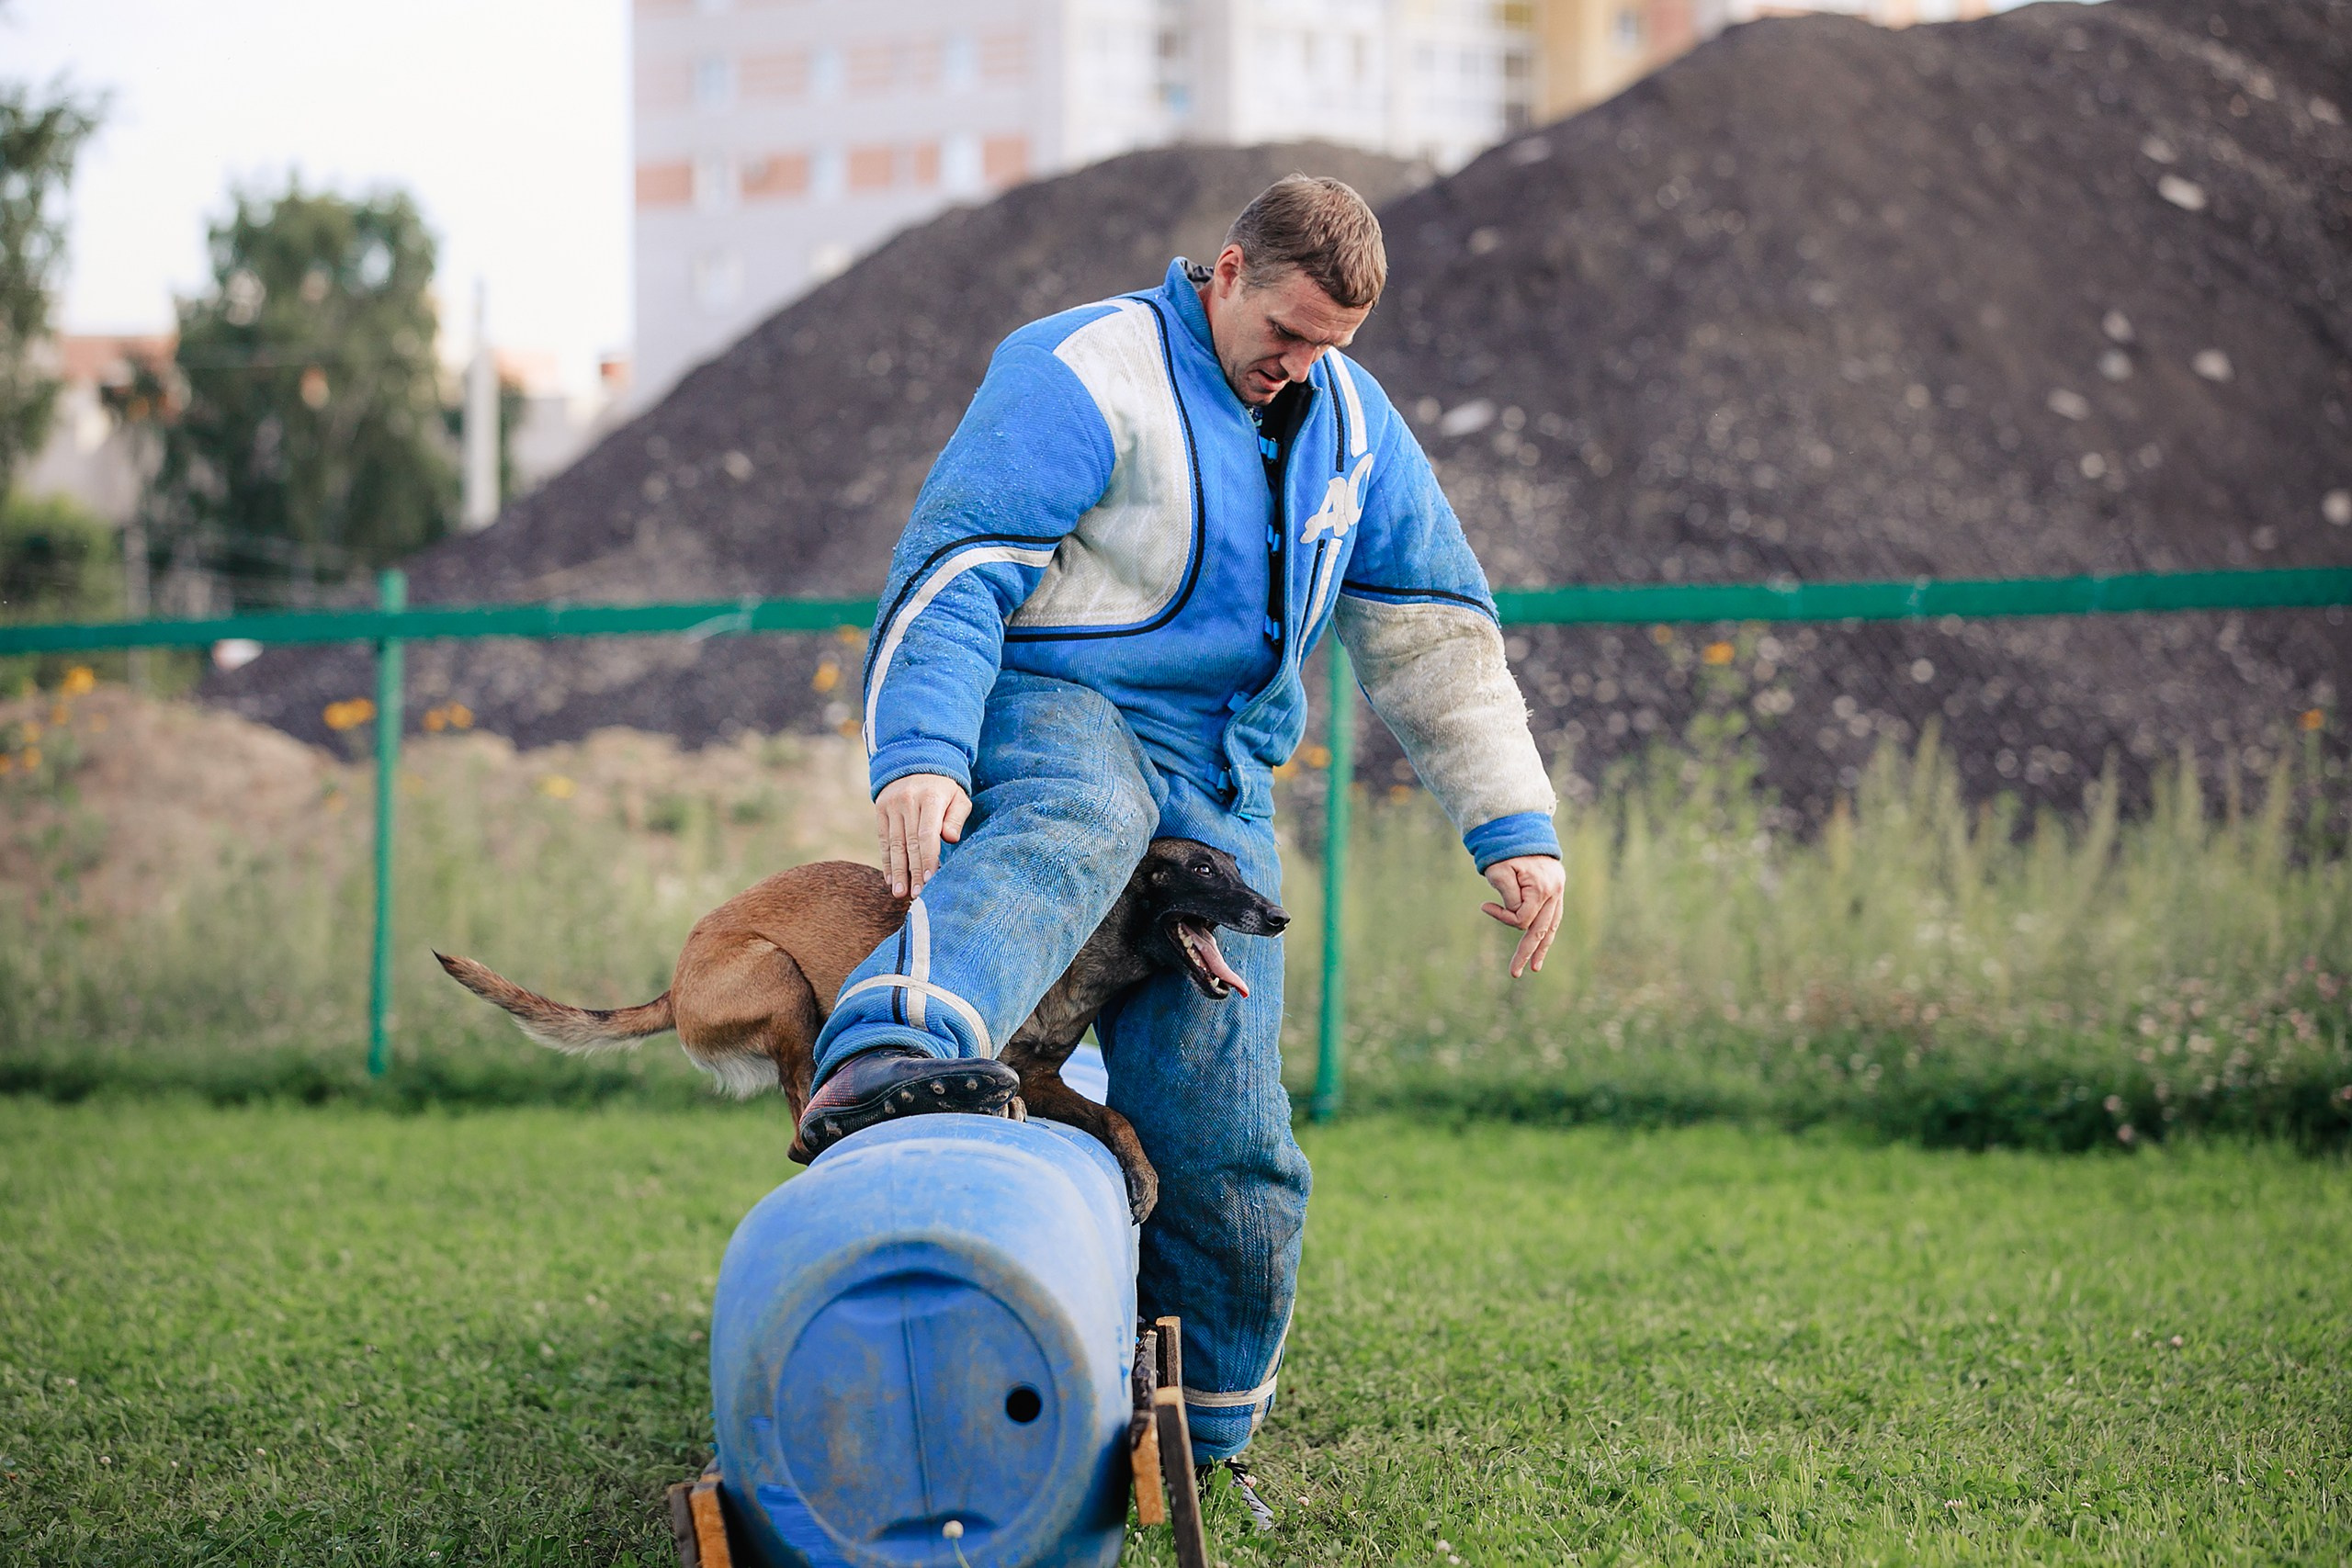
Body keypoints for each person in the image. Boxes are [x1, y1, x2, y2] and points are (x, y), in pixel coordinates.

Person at [797, 175, 1566, 1465]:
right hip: (1061, 710)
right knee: (1083, 813)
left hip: (1221, 783)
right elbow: (956, 563)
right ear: (1225, 272)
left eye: (1334, 345)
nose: (1303, 365)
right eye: (1290, 332)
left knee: (1233, 1148)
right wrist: (921, 753)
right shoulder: (1079, 366)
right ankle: (884, 1053)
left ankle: (1198, 1448)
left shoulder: (1357, 428)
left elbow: (1435, 640)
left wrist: (1516, 826)